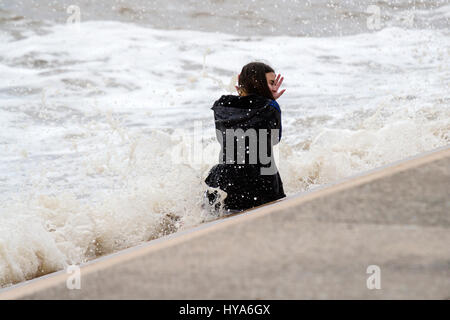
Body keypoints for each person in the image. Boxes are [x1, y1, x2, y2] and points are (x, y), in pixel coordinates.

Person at [203, 61, 286, 215]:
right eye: (271, 83)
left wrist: (247, 92)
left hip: (224, 183)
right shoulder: (269, 107)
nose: (275, 87)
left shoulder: (222, 106)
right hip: (260, 184)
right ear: (258, 82)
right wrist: (271, 101)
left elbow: (224, 137)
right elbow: (275, 139)